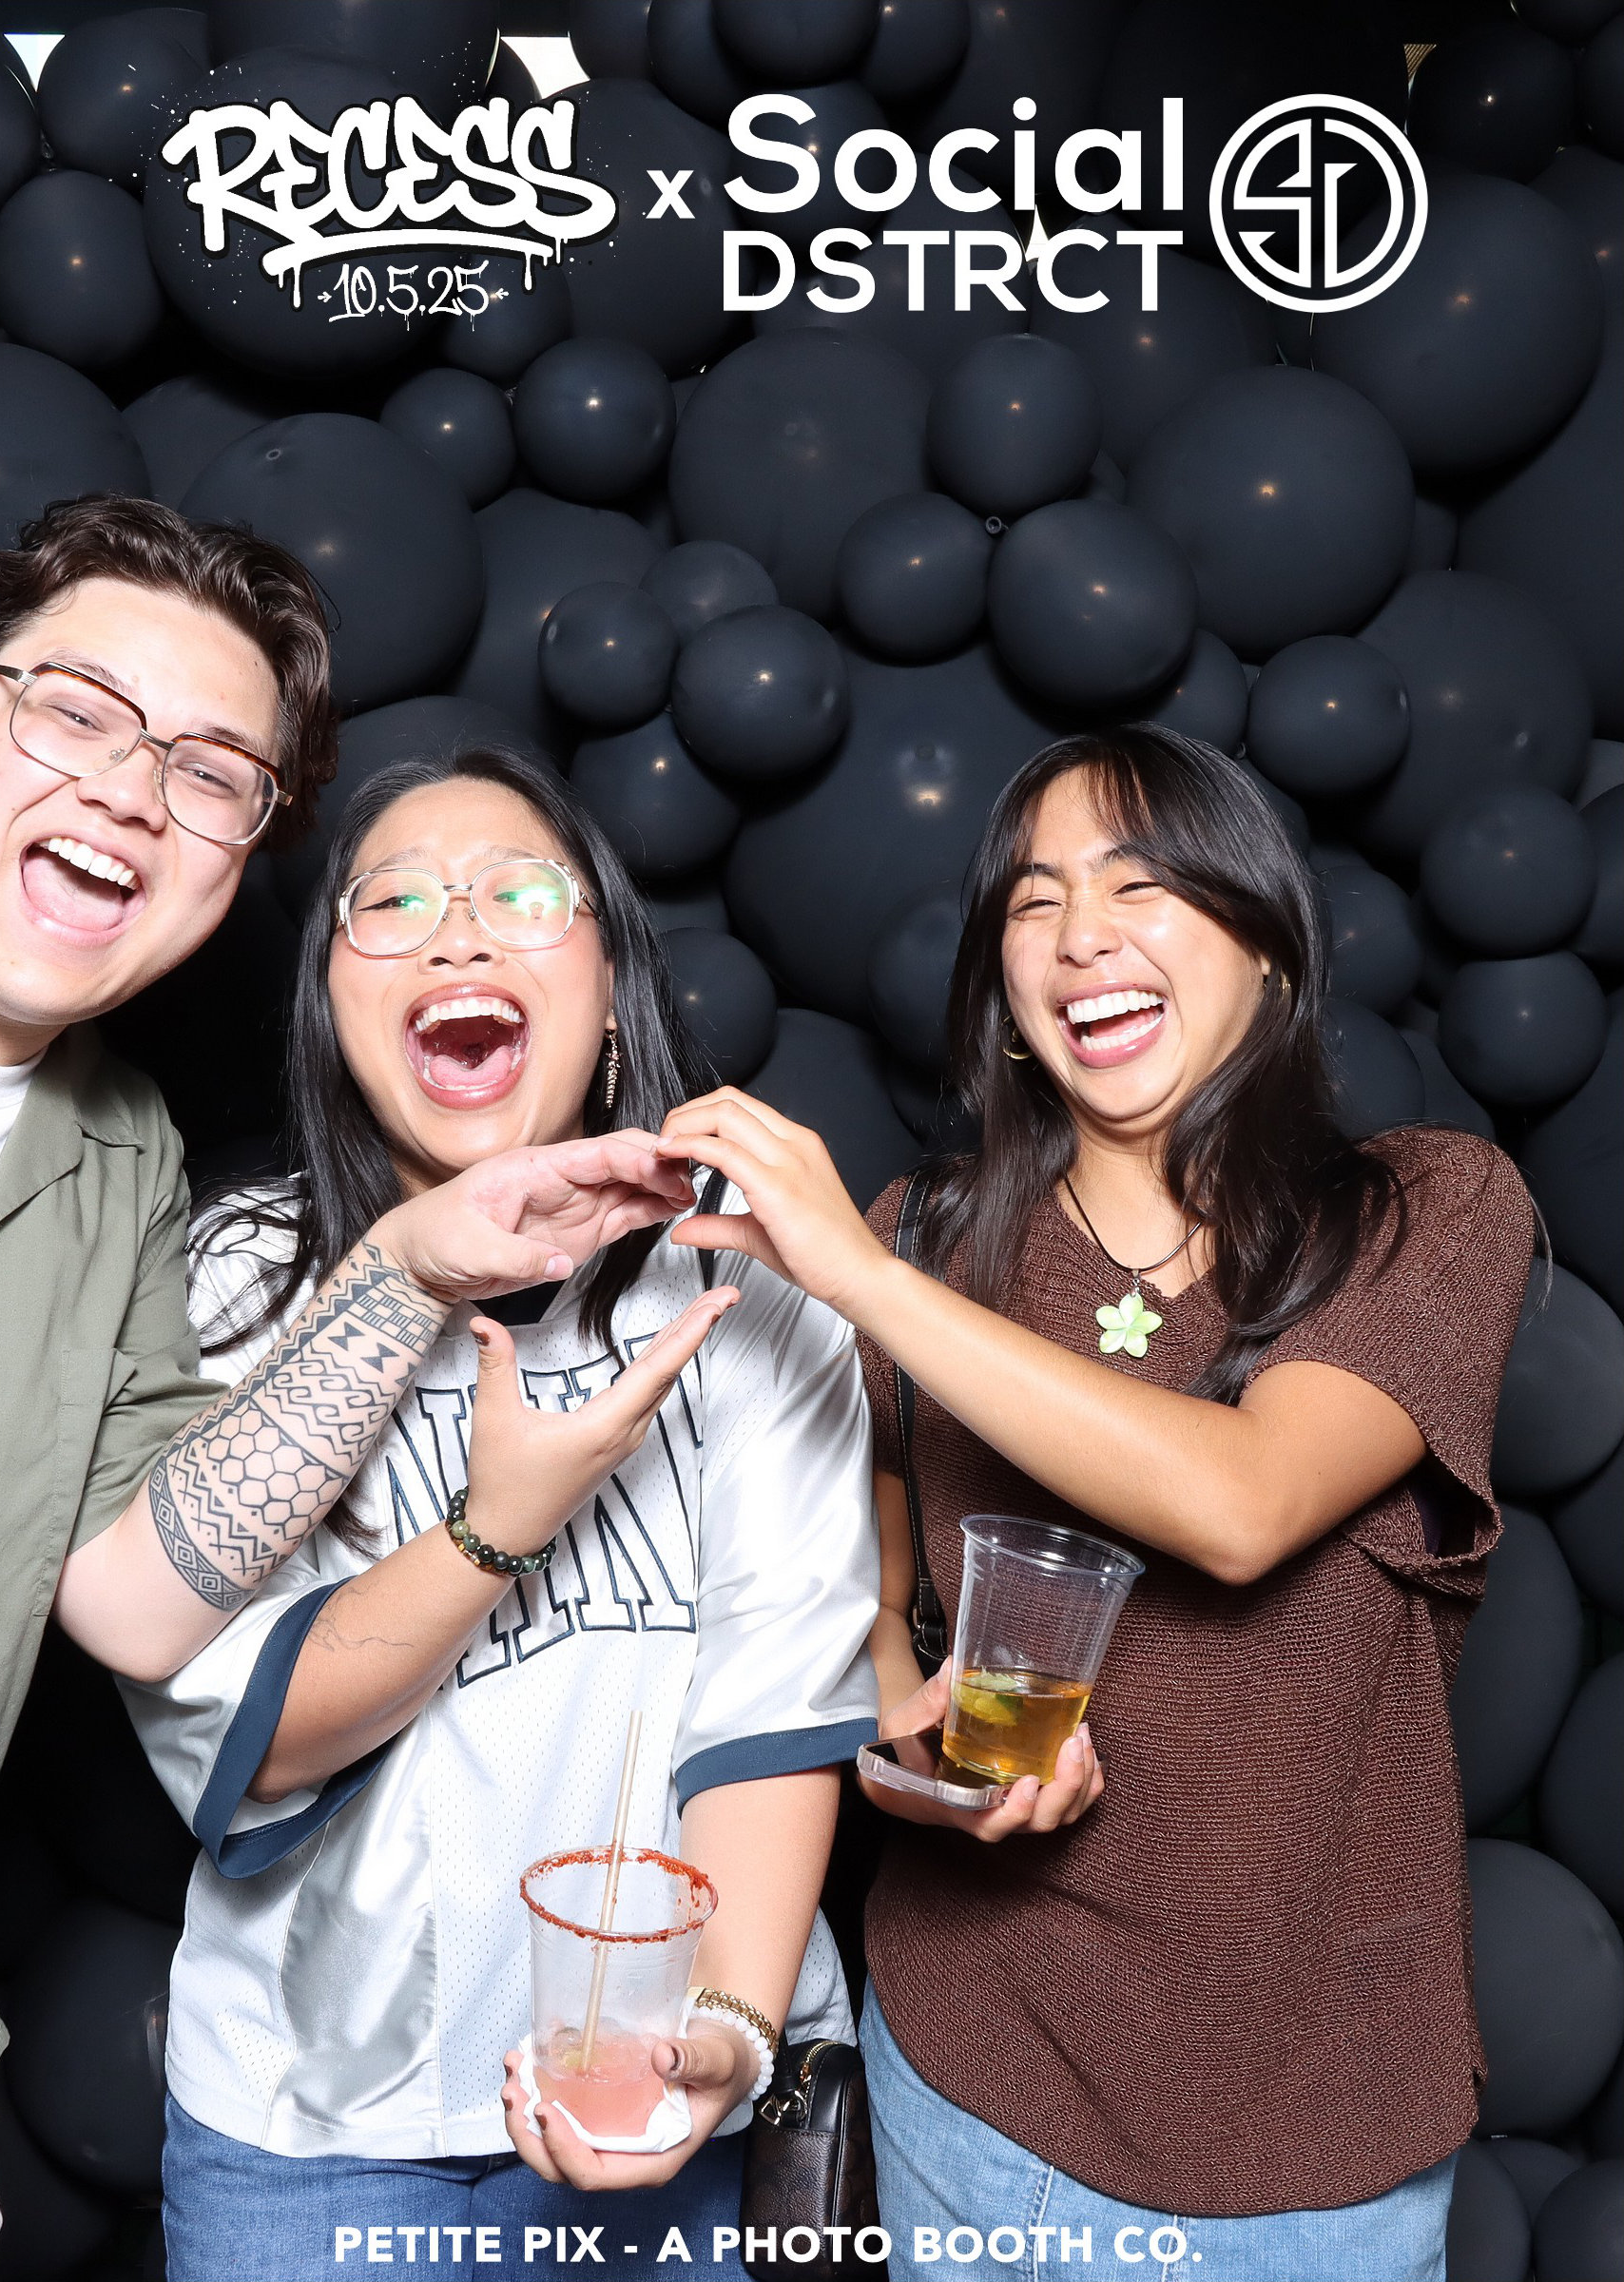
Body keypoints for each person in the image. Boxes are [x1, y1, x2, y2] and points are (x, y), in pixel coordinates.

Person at [656, 727, 1537, 2282]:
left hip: (1307, 2154)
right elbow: (868, 1612)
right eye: (1034, 901)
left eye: (1142, 886)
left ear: (1266, 947)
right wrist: (919, 1759)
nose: (1082, 937)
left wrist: (859, 1281)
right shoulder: (925, 1238)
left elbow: (1245, 1502)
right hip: (969, 2082)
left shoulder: (1423, 1211)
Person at [0, 500, 678, 2282]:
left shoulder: (116, 1163)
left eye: (209, 772)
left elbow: (128, 1598)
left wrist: (409, 1269)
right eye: (75, 712)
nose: (129, 792)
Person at [119, 745, 880, 2282]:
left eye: (521, 895)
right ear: (333, 1012)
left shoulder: (756, 1280)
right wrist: (498, 1527)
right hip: (313, 2133)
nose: (457, 931)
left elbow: (776, 1712)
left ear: (611, 990)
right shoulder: (235, 1284)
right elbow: (248, 1729)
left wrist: (721, 2044)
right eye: (392, 903)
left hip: (678, 2105)